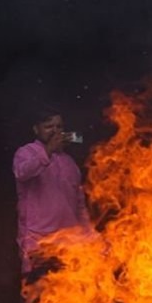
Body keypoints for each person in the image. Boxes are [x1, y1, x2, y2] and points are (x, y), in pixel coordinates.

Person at [13, 108, 91, 283]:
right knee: (38, 297)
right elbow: (22, 172)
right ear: (36, 129)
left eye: (59, 126)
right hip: (39, 242)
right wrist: (47, 151)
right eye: (49, 126)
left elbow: (79, 206)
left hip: (71, 243)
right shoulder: (26, 152)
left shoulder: (70, 162)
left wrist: (91, 237)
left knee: (70, 298)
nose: (56, 131)